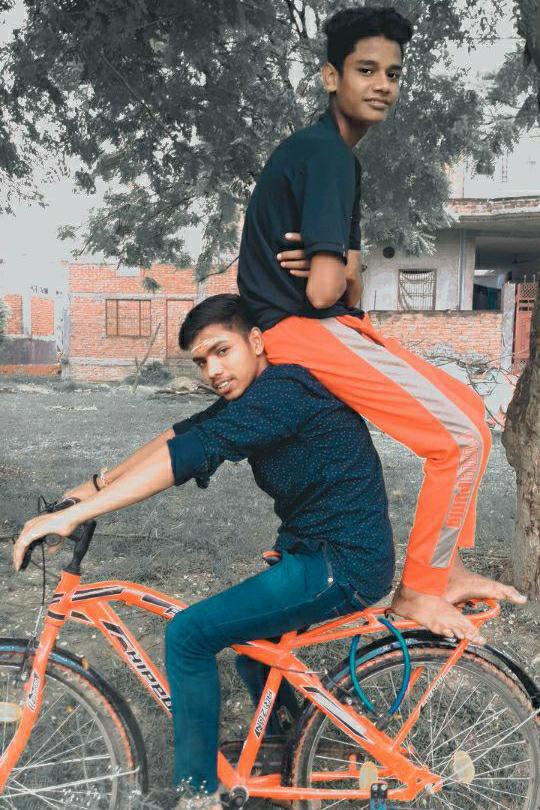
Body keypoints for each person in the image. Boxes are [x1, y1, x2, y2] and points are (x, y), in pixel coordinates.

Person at [13, 294, 397, 808]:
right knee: (253, 651)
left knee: (188, 634)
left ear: (255, 341)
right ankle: (289, 750)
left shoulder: (283, 391)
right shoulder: (259, 392)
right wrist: (97, 484)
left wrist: (77, 514)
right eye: (201, 362)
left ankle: (199, 795)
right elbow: (182, 434)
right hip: (319, 552)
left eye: (221, 351)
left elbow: (189, 455)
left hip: (340, 563)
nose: (212, 370)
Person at [237, 6, 516, 641]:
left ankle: (444, 566)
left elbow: (351, 280)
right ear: (330, 76)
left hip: (321, 323)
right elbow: (327, 289)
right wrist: (329, 272)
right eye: (366, 70)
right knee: (458, 438)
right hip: (297, 331)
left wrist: (331, 269)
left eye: (393, 73)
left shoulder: (340, 159)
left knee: (469, 409)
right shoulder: (324, 155)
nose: (383, 85)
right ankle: (419, 591)